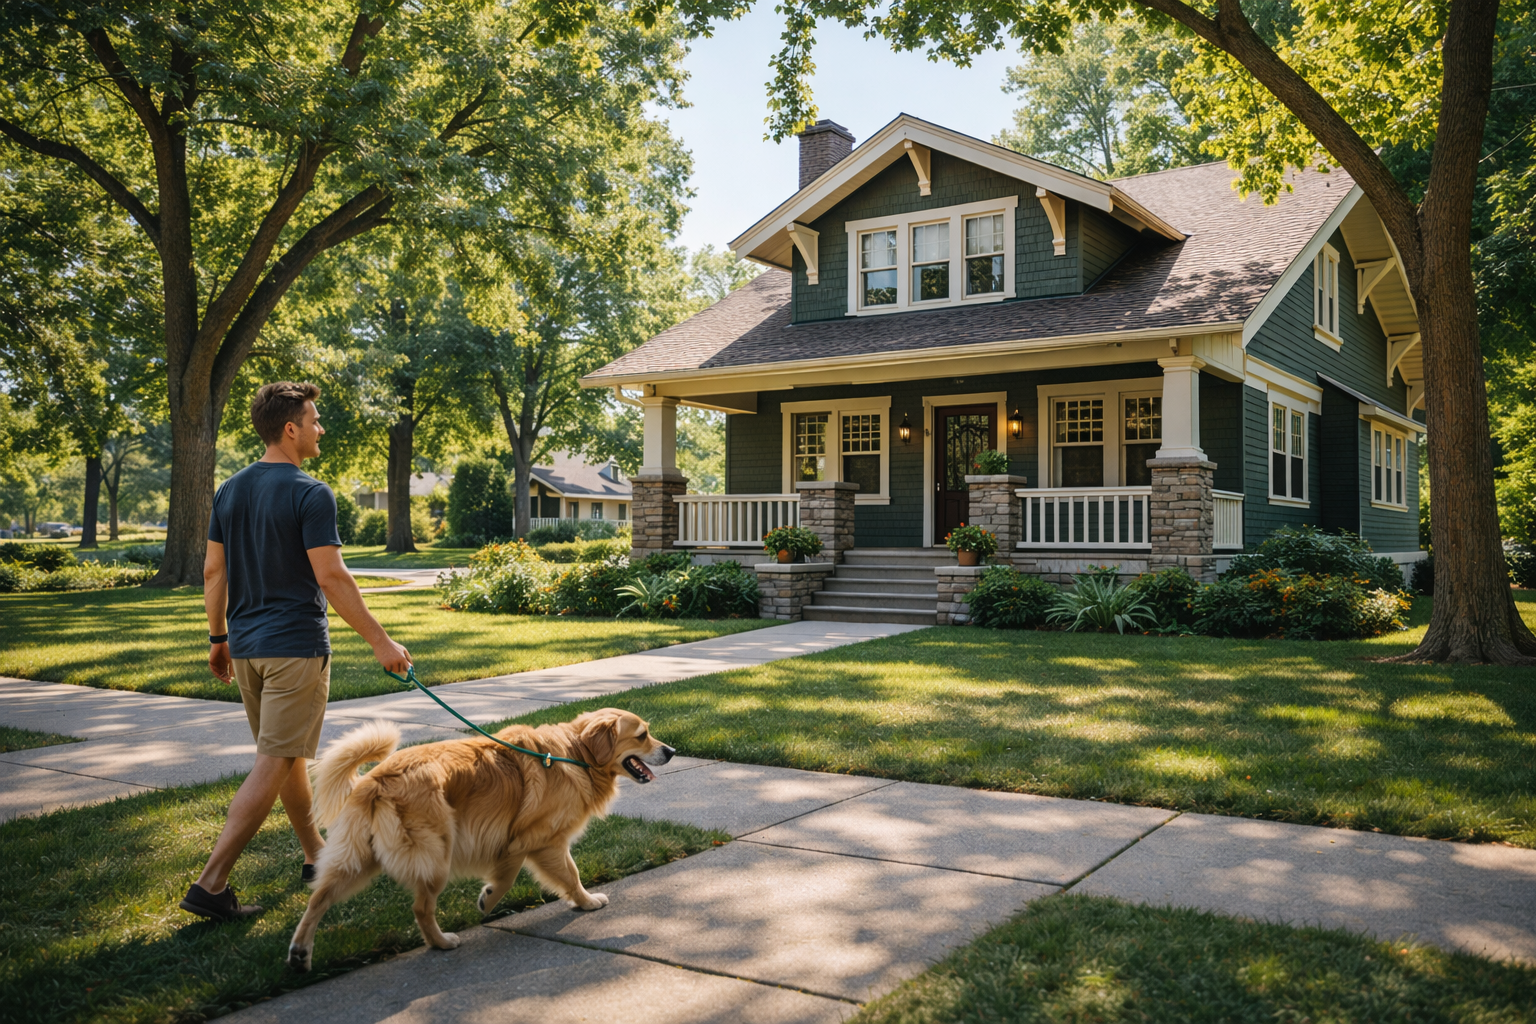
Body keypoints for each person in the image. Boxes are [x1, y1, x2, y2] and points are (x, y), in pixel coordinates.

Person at [180, 381, 412, 923]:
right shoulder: (312, 492)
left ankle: (315, 855)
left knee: (287, 759)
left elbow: (214, 571)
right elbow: (330, 575)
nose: (320, 428)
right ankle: (211, 883)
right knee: (275, 760)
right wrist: (382, 642)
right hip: (295, 649)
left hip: (248, 651)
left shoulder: (229, 490)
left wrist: (218, 639)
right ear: (291, 428)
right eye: (314, 419)